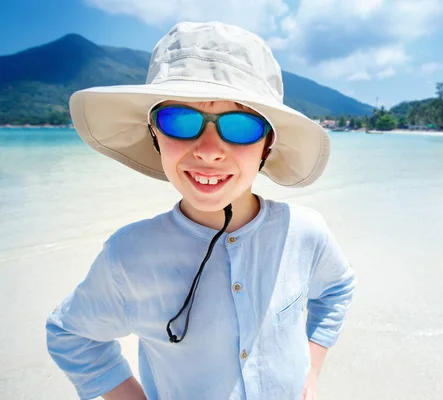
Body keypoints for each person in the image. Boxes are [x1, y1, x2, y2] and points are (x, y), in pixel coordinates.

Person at [46, 21, 356, 400]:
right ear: (154, 135)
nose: (209, 150)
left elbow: (337, 288)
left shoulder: (304, 232)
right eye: (180, 120)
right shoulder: (129, 256)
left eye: (240, 126)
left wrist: (312, 369)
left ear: (268, 145)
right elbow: (70, 334)